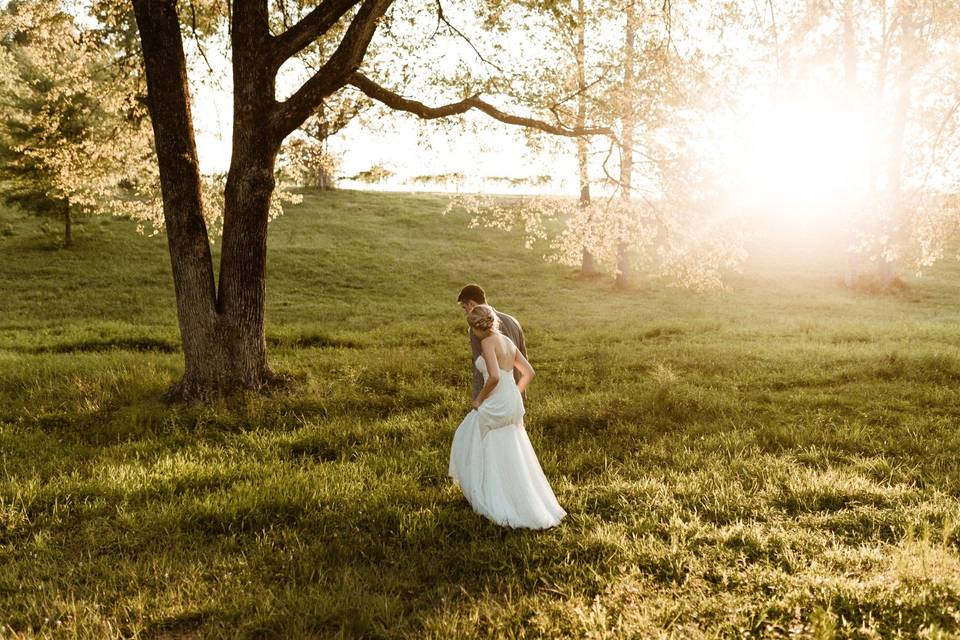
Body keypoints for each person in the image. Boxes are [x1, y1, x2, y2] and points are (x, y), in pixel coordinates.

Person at [448, 304, 566, 529]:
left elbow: (492, 376)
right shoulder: (508, 342)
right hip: (511, 399)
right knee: (510, 443)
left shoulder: (487, 342)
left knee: (467, 434)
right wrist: (514, 392)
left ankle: (488, 491)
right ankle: (512, 490)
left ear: (476, 327)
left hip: (496, 399)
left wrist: (479, 399)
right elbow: (529, 372)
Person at [457, 284, 526, 403]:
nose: (466, 313)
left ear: (472, 304)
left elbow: (480, 367)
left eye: (465, 308)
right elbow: (524, 362)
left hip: (492, 396)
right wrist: (520, 394)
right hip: (514, 394)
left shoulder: (477, 328)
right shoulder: (513, 321)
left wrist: (478, 398)